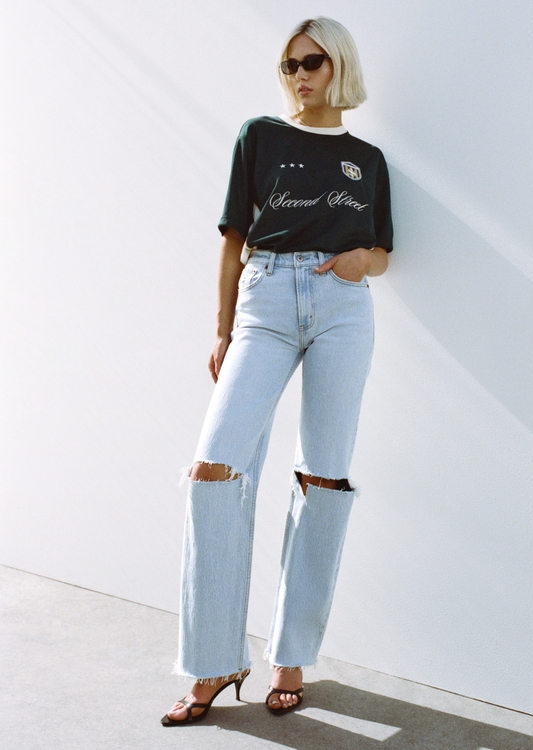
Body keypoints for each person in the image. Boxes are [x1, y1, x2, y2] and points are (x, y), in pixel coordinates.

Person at [161, 16, 393, 726]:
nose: (298, 75)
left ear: (339, 65)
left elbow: (383, 251)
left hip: (342, 307)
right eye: (289, 64)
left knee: (323, 476)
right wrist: (223, 328)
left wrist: (361, 260)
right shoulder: (259, 136)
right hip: (264, 300)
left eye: (312, 62)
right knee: (214, 468)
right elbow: (234, 236)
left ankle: (290, 656)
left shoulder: (367, 159)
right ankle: (214, 659)